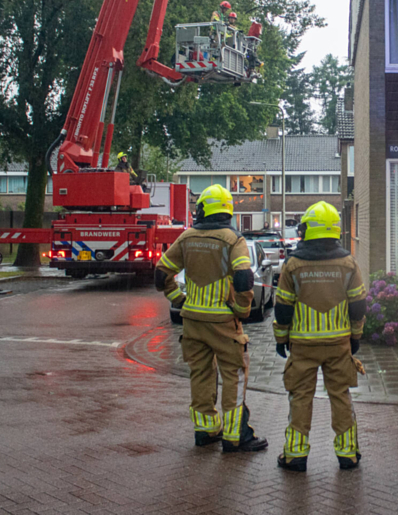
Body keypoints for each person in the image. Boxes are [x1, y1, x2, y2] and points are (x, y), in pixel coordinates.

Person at [155, 184, 268, 453]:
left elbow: (161, 273)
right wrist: (242, 309)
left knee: (201, 374)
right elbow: (244, 277)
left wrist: (178, 299)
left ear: (204, 210)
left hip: (193, 321)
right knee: (234, 375)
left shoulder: (187, 237)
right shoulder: (233, 239)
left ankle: (205, 430)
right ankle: (235, 436)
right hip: (223, 323)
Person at [273, 201, 366, 472]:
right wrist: (355, 337)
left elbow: (283, 308)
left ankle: (295, 455)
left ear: (309, 230)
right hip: (338, 344)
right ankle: (347, 454)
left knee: (300, 397)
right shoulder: (348, 263)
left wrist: (281, 340)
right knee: (341, 396)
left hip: (303, 345)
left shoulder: (293, 265)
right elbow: (358, 305)